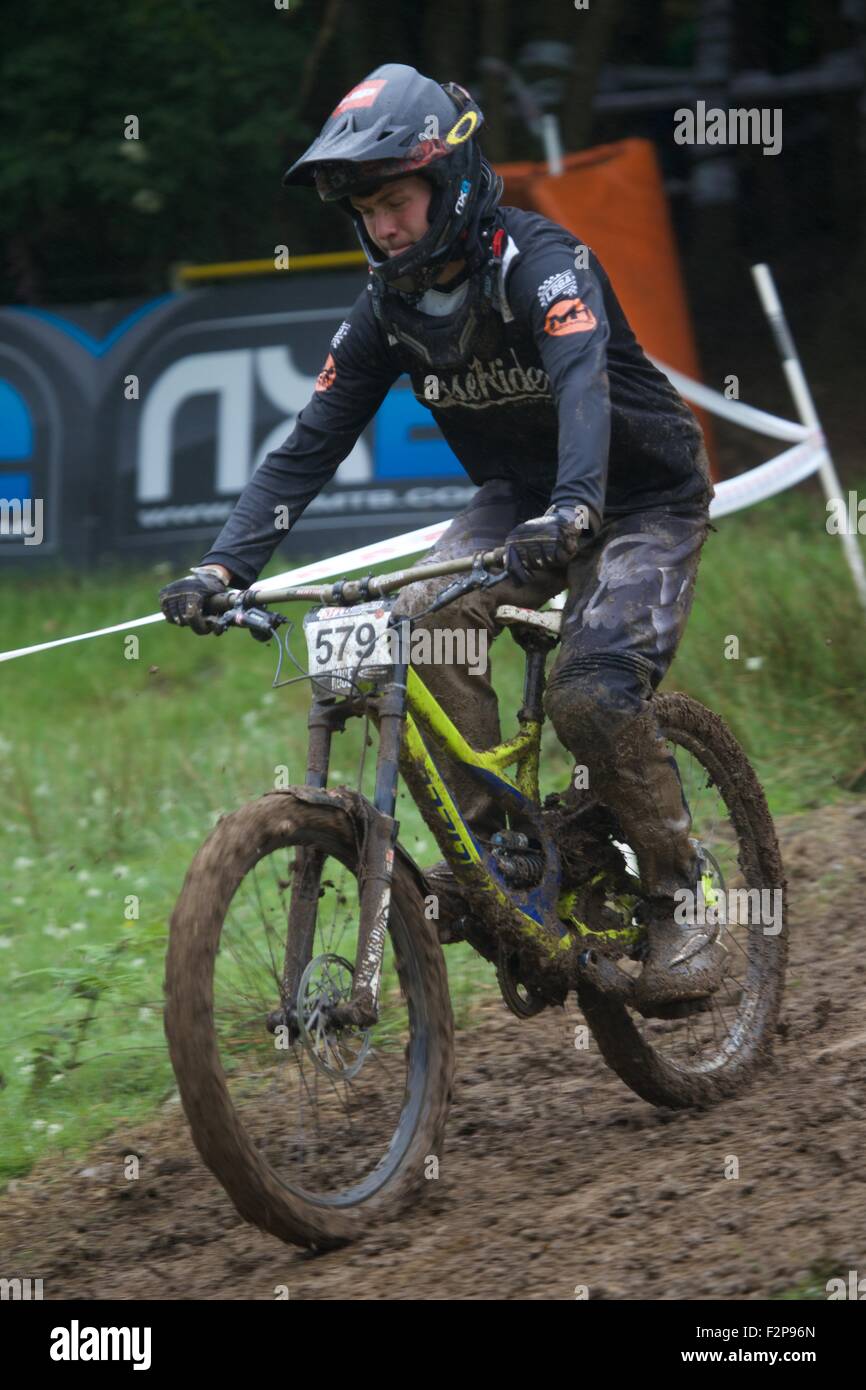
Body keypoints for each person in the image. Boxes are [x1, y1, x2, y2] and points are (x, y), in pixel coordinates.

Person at [159, 63, 725, 1012]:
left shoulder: (541, 264)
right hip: (519, 500)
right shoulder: (387, 307)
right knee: (411, 631)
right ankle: (506, 866)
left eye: (398, 200)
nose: (384, 225)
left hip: (638, 497)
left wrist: (579, 506)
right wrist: (223, 563)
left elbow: (581, 386)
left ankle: (683, 889)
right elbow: (309, 444)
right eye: (368, 210)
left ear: (452, 180)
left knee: (591, 695)